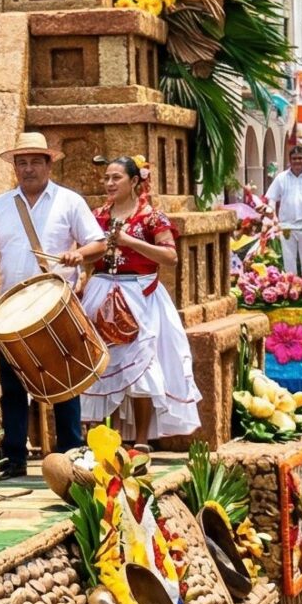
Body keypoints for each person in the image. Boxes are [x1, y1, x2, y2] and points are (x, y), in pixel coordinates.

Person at [0, 133, 103, 478]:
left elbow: (98, 244)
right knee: (12, 388)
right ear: (15, 167)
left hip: (55, 306)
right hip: (12, 310)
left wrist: (79, 253)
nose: (27, 169)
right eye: (22, 163)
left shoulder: (69, 201)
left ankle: (70, 455)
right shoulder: (1, 205)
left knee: (66, 384)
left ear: (48, 164)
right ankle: (14, 456)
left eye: (34, 162)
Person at [75, 155, 200, 444]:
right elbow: (92, 251)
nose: (109, 183)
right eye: (106, 178)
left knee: (142, 367)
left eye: (116, 178)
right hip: (101, 293)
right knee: (104, 367)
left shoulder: (152, 218)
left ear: (134, 181)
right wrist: (80, 257)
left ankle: (142, 441)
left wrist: (130, 242)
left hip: (139, 296)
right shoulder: (98, 216)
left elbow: (171, 256)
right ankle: (107, 441)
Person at [264, 140, 302, 275]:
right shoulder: (281, 177)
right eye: (294, 159)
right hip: (287, 223)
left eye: (300, 158)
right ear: (289, 160)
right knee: (289, 258)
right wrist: (270, 210)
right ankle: (290, 287)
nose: (297, 161)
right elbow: (272, 197)